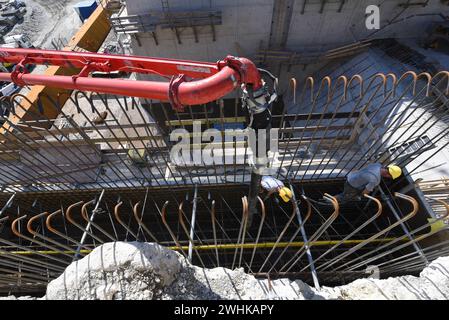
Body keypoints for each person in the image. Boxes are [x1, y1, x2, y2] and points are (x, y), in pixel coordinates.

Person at [335, 163, 402, 203]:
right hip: (352, 185)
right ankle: (330, 201)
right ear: (388, 175)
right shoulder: (375, 179)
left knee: (348, 193)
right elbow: (365, 192)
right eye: (389, 177)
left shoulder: (377, 165)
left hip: (351, 176)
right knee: (345, 196)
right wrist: (360, 196)